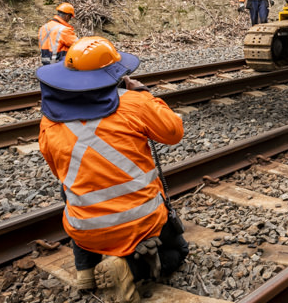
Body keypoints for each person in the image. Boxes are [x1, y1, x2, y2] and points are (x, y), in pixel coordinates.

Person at [37, 36, 188, 303]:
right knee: (178, 253)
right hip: (140, 222)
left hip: (83, 228)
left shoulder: (49, 122)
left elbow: (60, 175)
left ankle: (86, 268)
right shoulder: (133, 103)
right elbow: (174, 131)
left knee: (70, 186)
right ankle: (128, 268)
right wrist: (143, 94)